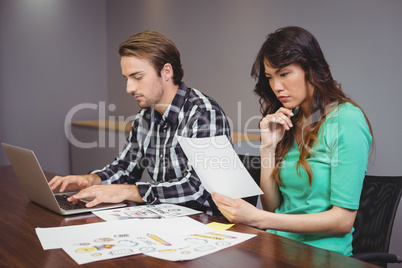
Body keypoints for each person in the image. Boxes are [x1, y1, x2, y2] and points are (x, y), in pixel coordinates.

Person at [212, 26, 373, 255]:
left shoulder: (347, 120)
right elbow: (274, 207)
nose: (277, 87)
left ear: (310, 69)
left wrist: (259, 218)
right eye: (270, 77)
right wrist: (267, 147)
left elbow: (342, 220)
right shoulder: (291, 119)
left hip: (323, 256)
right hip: (279, 248)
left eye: (284, 74)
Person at [49, 30, 231, 215]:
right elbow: (125, 168)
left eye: (137, 77)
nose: (129, 88)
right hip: (166, 218)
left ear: (166, 71)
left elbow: (198, 189)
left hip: (207, 225)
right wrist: (92, 180)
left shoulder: (203, 113)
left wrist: (129, 191)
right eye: (127, 79)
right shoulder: (145, 117)